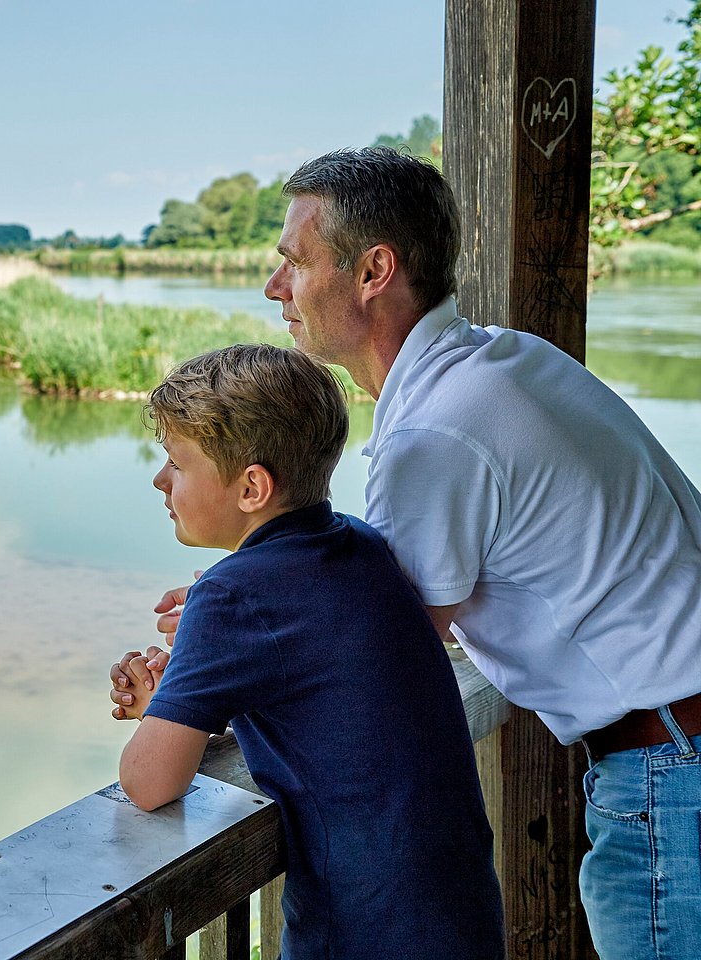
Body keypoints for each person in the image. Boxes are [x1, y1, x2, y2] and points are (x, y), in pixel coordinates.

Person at [114, 146, 701, 959]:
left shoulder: (432, 431)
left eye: (294, 260)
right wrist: (236, 629)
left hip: (673, 766)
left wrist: (213, 655)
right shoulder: (503, 362)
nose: (274, 285)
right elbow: (355, 607)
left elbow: (373, 645)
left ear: (373, 271)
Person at [116, 343, 504, 960]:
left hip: (361, 929)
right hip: (459, 911)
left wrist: (173, 698)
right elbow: (321, 696)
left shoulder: (230, 595)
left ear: (251, 488)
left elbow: (147, 783)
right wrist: (177, 699)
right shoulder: (361, 545)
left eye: (177, 464)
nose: (161, 480)